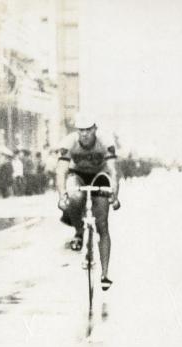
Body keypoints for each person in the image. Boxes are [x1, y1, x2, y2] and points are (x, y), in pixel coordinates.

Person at [56, 112, 120, 290]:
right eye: (81, 130)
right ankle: (78, 231)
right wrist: (62, 196)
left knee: (102, 224)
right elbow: (61, 171)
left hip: (100, 175)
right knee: (74, 196)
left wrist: (114, 194)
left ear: (95, 129)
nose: (84, 134)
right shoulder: (69, 142)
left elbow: (114, 172)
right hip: (78, 175)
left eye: (88, 130)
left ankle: (105, 274)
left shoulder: (106, 142)